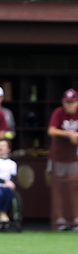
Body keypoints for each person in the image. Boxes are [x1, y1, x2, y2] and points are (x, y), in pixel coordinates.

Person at [47, 88, 78, 231]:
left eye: (72, 102)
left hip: (74, 157)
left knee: (74, 187)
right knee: (57, 188)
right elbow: (51, 130)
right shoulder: (58, 112)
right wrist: (69, 134)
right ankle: (60, 220)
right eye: (67, 102)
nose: (69, 105)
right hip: (57, 157)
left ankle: (76, 219)